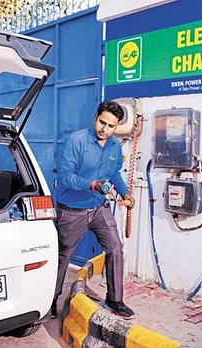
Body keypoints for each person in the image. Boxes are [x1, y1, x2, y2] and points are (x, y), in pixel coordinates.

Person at [51, 100, 136, 320]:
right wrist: (92, 185)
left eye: (110, 126)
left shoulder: (115, 146)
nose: (104, 129)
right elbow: (66, 176)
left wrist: (126, 194)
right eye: (102, 123)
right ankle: (51, 300)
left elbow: (115, 174)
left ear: (117, 127)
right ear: (95, 118)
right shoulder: (77, 141)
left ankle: (114, 300)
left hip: (98, 207)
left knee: (115, 247)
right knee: (63, 256)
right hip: (71, 210)